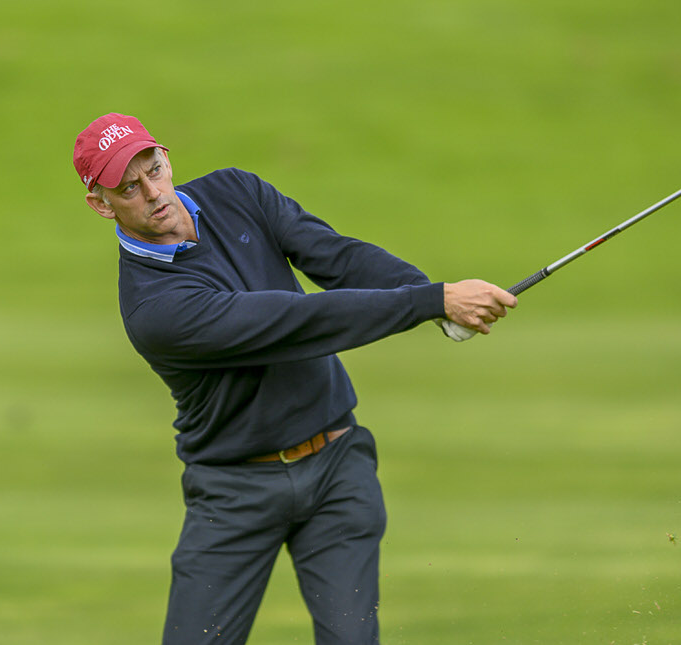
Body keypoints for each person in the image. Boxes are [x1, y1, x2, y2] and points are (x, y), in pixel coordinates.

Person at [73, 113, 516, 645]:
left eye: (156, 169)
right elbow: (295, 322)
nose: (153, 192)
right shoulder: (155, 308)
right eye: (129, 188)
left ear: (166, 158)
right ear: (102, 204)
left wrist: (429, 297)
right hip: (234, 489)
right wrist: (431, 300)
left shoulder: (235, 191)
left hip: (336, 468)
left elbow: (334, 256)